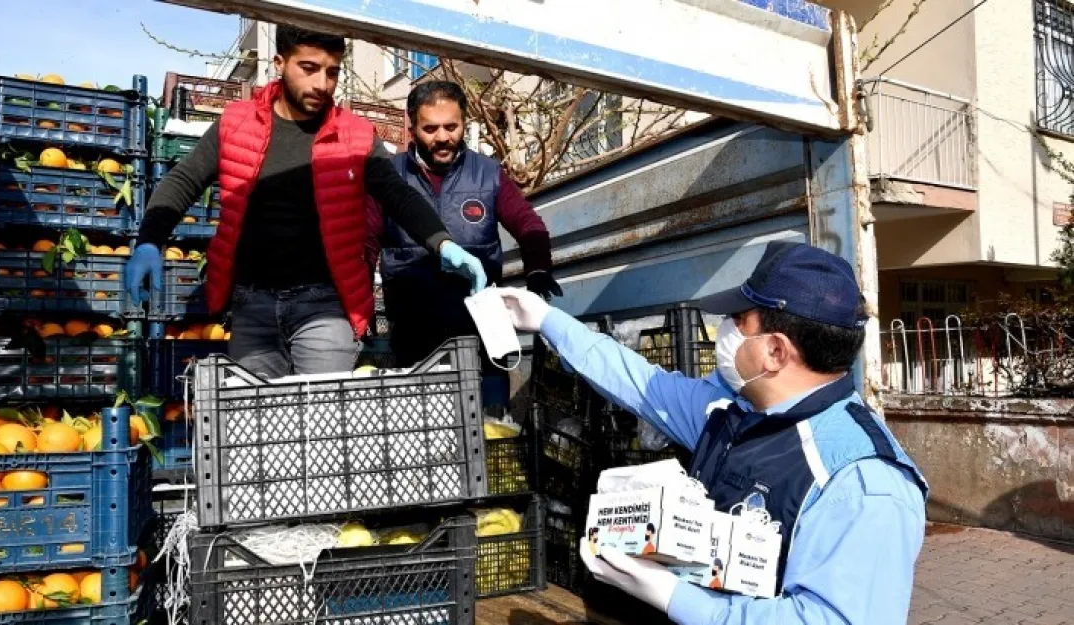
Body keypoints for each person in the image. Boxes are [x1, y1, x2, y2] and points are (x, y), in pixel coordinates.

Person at [497, 241, 928, 625]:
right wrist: (546, 319)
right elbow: (637, 382)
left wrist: (677, 599)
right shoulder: (732, 411)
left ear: (775, 351)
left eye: (740, 320)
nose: (725, 329)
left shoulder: (865, 483)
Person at [125, 26, 486, 379]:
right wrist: (149, 241)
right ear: (280, 63)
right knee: (256, 426)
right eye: (309, 69)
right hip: (253, 306)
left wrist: (443, 242)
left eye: (332, 72)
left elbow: (398, 194)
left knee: (322, 423)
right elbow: (184, 179)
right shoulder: (236, 123)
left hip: (326, 305)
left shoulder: (355, 135)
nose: (322, 84)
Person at [364, 80, 559, 406]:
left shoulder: (489, 174)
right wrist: (361, 299)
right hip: (414, 335)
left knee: (489, 432)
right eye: (430, 128)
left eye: (451, 127)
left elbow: (528, 224)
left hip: (481, 331)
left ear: (464, 125)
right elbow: (366, 240)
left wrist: (538, 269)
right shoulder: (389, 177)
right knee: (423, 433)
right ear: (412, 128)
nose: (442, 137)